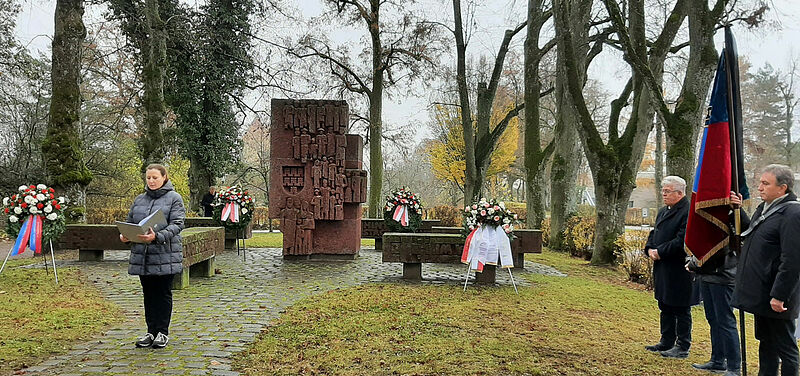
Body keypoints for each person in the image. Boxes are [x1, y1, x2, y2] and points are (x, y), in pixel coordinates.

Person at [732, 164, 800, 376]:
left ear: (783, 188)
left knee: (785, 347)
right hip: (762, 292)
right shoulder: (765, 208)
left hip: (777, 295)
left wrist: (779, 295)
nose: (759, 188)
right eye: (760, 182)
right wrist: (738, 210)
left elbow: (793, 259)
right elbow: (753, 233)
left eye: (765, 183)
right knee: (766, 342)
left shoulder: (793, 213)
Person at [119, 164, 186, 349]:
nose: (151, 181)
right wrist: (125, 236)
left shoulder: (174, 198)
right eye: (148, 178)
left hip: (165, 254)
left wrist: (157, 236)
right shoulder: (139, 199)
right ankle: (151, 331)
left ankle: (162, 332)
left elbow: (178, 224)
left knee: (162, 293)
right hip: (143, 256)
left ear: (164, 177)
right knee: (148, 295)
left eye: (155, 177)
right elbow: (131, 222)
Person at [686, 191, 750, 376]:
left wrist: (736, 209)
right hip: (706, 273)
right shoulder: (707, 212)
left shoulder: (733, 213)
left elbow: (745, 231)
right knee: (713, 319)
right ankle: (717, 360)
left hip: (723, 274)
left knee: (725, 321)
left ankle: (733, 366)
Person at [644, 176, 699, 359]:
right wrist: (650, 248)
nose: (664, 194)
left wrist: (660, 251)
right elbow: (655, 232)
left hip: (679, 268)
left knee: (680, 307)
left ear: (679, 193)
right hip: (662, 266)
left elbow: (682, 239)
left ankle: (682, 345)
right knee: (664, 304)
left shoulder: (688, 212)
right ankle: (666, 340)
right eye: (663, 190)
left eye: (667, 191)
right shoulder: (663, 211)